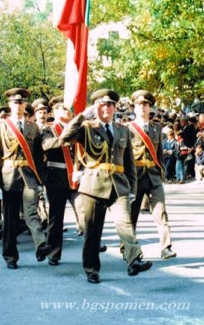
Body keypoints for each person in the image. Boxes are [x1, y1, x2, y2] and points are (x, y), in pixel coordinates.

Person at [59, 89, 152, 284]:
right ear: (96, 107)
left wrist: (133, 189)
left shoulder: (122, 129)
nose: (106, 108)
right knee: (93, 231)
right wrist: (82, 115)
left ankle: (134, 259)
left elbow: (129, 163)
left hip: (119, 185)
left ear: (115, 108)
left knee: (125, 224)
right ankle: (91, 269)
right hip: (93, 184)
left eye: (110, 105)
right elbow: (65, 138)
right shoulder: (86, 128)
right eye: (102, 104)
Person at [0, 88, 52, 269]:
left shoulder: (33, 127)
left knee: (31, 211)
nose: (18, 105)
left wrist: (40, 180)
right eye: (15, 102)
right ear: (10, 104)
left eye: (21, 102)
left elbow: (39, 157)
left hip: (29, 176)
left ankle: (41, 245)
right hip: (9, 175)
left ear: (25, 104)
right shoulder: (1, 126)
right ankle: (10, 255)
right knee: (10, 219)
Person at [127, 90, 176, 260]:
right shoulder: (127, 128)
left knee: (160, 212)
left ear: (150, 108)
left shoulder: (156, 128)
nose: (142, 108)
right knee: (132, 216)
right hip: (135, 177)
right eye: (139, 105)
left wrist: (161, 171)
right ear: (134, 108)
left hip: (153, 176)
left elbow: (160, 153)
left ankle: (166, 247)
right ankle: (129, 248)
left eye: (146, 105)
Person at [40, 95, 84, 265]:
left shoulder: (80, 130)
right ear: (55, 112)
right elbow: (46, 145)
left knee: (85, 212)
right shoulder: (48, 129)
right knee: (56, 218)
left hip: (77, 176)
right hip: (57, 177)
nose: (67, 111)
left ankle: (92, 244)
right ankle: (53, 252)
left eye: (68, 108)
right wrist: (65, 137)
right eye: (63, 108)